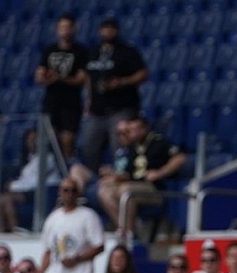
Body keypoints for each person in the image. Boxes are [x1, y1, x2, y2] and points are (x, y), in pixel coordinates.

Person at [96, 114, 187, 242]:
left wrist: (160, 172)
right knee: (104, 191)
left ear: (144, 128)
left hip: (154, 189)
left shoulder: (158, 141)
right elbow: (129, 173)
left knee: (126, 190)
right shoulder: (132, 147)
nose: (132, 133)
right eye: (130, 130)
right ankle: (125, 230)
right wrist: (113, 177)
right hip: (133, 184)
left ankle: (130, 233)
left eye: (135, 129)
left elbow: (180, 158)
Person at [40, 177, 105, 273]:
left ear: (78, 193)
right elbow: (48, 251)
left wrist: (77, 259)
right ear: (60, 192)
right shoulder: (53, 218)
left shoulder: (88, 216)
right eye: (66, 190)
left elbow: (99, 246)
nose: (69, 194)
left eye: (73, 190)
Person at [80, 18, 148, 167]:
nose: (108, 32)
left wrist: (122, 82)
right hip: (97, 110)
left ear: (116, 31)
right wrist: (89, 98)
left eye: (111, 29)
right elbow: (87, 76)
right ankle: (95, 175)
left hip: (121, 108)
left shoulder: (127, 51)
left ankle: (120, 174)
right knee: (88, 145)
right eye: (105, 29)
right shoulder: (93, 52)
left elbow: (143, 74)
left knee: (119, 146)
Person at [36, 13, 89, 162]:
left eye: (67, 27)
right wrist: (45, 77)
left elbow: (81, 79)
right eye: (62, 27)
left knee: (68, 140)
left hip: (71, 102)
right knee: (50, 138)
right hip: (51, 101)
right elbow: (39, 76)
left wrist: (59, 78)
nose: (64, 30)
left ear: (74, 29)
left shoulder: (81, 51)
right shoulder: (49, 50)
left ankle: (68, 168)